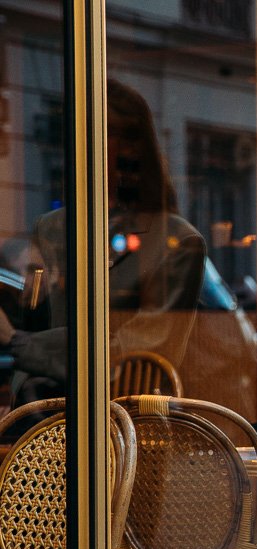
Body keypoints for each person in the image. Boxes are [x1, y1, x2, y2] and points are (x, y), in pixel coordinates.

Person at [0, 79, 206, 405]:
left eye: (101, 131)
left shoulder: (178, 242)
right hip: (41, 415)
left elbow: (141, 349)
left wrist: (19, 344)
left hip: (127, 423)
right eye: (79, 129)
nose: (84, 141)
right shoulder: (52, 228)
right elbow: (32, 317)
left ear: (132, 147)